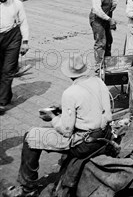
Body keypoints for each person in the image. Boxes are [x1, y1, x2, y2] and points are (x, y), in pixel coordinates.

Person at [3, 54, 112, 197]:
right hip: (104, 136)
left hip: (84, 144)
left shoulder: (70, 93)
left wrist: (53, 118)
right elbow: (91, 105)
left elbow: (66, 131)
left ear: (69, 74)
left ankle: (27, 188)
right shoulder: (98, 81)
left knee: (31, 136)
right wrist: (62, 108)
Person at [0, 0, 30, 115]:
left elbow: (23, 22)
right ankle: (7, 94)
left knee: (8, 70)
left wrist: (25, 41)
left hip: (13, 37)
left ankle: (2, 102)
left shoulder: (17, 4)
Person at [89, 0, 118, 74]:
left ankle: (107, 62)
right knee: (101, 42)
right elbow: (96, 9)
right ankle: (99, 66)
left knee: (109, 40)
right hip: (97, 19)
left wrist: (114, 3)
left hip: (106, 17)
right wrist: (109, 19)